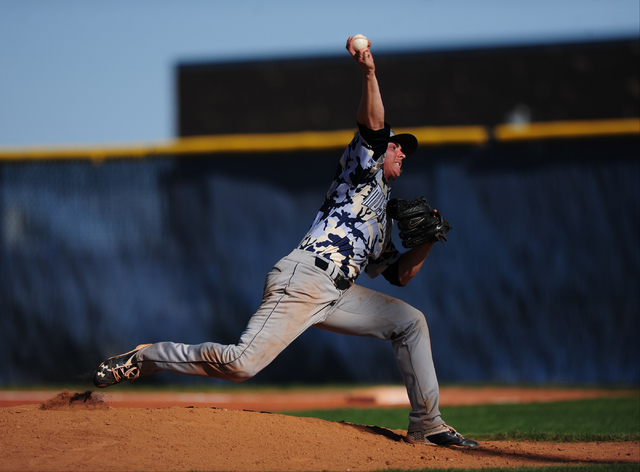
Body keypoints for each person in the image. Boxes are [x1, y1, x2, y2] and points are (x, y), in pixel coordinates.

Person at [93, 36, 478, 448]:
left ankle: (427, 423)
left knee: (409, 321)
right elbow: (374, 126)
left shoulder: (383, 219)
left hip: (337, 294)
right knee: (241, 365)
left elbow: (399, 275)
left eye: (406, 151)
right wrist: (369, 72)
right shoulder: (361, 172)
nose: (402, 153)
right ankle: (146, 357)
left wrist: (429, 241)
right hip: (304, 277)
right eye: (398, 147)